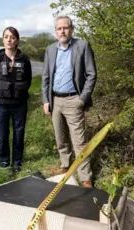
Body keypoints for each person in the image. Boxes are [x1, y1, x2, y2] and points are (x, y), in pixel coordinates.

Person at [41, 15, 97, 187]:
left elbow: (91, 74)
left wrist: (82, 99)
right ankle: (65, 165)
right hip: (55, 100)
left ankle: (85, 176)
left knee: (79, 141)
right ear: (55, 31)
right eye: (59, 28)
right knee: (60, 138)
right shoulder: (50, 50)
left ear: (71, 29)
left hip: (74, 99)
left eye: (65, 28)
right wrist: (45, 100)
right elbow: (45, 77)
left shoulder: (82, 46)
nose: (62, 31)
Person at [0, 26, 32, 172]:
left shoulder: (24, 59)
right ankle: (4, 161)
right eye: (6, 36)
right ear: (3, 39)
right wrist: (3, 92)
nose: (9, 40)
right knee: (2, 135)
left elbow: (28, 80)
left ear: (17, 41)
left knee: (18, 135)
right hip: (1, 105)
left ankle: (17, 162)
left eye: (12, 37)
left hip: (19, 105)